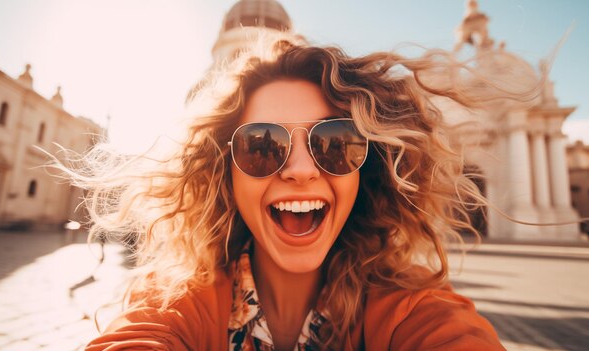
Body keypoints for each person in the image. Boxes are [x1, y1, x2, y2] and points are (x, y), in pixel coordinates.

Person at [76, 34, 508, 350]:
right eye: (261, 145)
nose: (301, 170)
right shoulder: (172, 302)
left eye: (336, 142)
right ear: (224, 172)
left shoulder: (415, 311)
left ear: (367, 168)